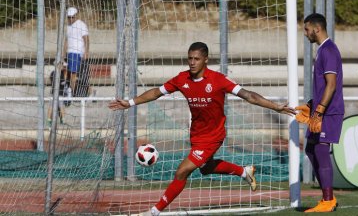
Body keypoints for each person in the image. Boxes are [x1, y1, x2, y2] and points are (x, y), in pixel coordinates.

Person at [109, 42, 296, 216]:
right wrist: (130, 102)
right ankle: (243, 172)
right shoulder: (182, 79)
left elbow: (248, 95)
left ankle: (154, 212)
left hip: (213, 135)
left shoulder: (218, 80)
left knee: (182, 171)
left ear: (205, 59)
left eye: (196, 59)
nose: (192, 62)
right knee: (206, 168)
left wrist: (275, 106)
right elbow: (156, 92)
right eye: (190, 58)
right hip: (196, 134)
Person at [295, 13, 344, 213]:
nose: (305, 33)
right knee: (310, 149)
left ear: (317, 28)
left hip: (329, 112)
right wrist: (311, 104)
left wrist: (320, 111)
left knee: (321, 151)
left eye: (306, 29)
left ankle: (327, 200)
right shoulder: (322, 51)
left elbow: (331, 85)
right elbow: (323, 85)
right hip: (321, 110)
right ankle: (328, 194)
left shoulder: (329, 50)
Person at [63, 7, 89, 96]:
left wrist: (86, 52)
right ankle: (91, 92)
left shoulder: (81, 25)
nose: (70, 19)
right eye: (69, 17)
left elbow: (86, 39)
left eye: (72, 17)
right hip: (69, 53)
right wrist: (63, 54)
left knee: (73, 74)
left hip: (77, 52)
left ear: (76, 16)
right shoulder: (68, 27)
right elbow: (66, 41)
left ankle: (71, 93)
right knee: (68, 73)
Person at [47, 62, 71, 128]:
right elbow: (53, 81)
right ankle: (49, 120)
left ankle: (63, 120)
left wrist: (65, 71)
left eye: (64, 66)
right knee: (51, 106)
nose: (64, 67)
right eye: (63, 66)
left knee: (61, 106)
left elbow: (66, 82)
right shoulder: (54, 73)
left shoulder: (64, 73)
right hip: (54, 93)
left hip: (61, 93)